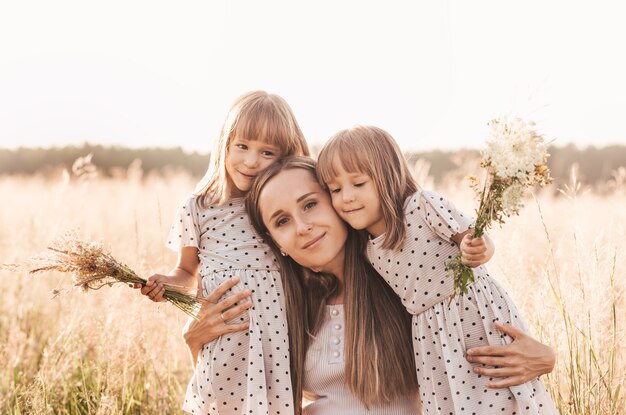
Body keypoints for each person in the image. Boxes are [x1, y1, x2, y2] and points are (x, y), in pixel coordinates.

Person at [185, 156, 556, 414]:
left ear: (338, 202)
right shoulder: (281, 305)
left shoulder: (407, 282)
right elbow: (235, 401)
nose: (302, 227)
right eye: (282, 221)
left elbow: (481, 349)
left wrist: (546, 359)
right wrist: (196, 345)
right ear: (275, 243)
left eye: (310, 204)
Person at [315, 126, 557, 414]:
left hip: (472, 315)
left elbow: (474, 238)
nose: (347, 198)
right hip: (431, 340)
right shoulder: (368, 251)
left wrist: (478, 248)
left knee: (501, 388)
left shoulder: (422, 207)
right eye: (335, 189)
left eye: (358, 184)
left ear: (387, 176)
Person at [137, 91, 310, 415]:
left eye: (266, 152)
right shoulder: (198, 206)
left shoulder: (277, 206)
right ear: (225, 143)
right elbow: (187, 273)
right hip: (224, 334)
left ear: (284, 157)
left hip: (276, 337)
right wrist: (166, 284)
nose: (250, 160)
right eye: (242, 146)